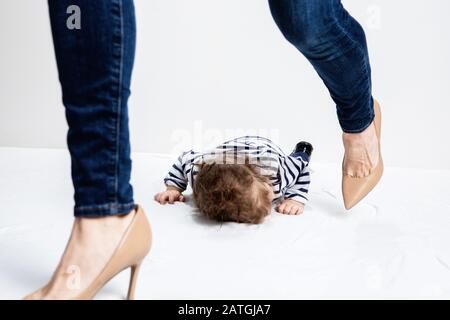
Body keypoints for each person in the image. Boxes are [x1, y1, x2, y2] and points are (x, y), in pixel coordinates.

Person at [25, 0, 382, 299]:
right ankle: (102, 215)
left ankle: (360, 120)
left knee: (304, 19)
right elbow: (186, 163)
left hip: (262, 150)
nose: (275, 195)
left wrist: (297, 197)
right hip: (234, 154)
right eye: (272, 197)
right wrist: (173, 187)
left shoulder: (279, 169)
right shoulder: (211, 168)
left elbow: (298, 169)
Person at [155, 137, 313, 223]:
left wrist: (296, 199)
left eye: (265, 193)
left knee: (299, 160)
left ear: (262, 179)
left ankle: (302, 150)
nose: (271, 199)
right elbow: (184, 160)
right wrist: (173, 190)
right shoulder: (199, 177)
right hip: (225, 154)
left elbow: (302, 170)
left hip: (262, 146)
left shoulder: (275, 172)